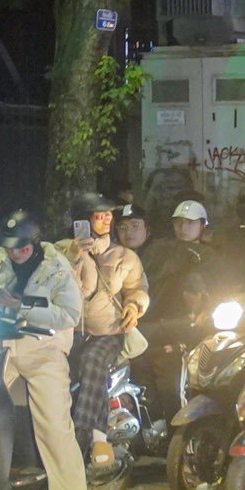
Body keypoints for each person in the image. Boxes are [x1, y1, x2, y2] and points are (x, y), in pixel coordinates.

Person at [0, 210, 93, 490]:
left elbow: (70, 314)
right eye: (10, 247)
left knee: (53, 424)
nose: (15, 253)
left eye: (20, 247)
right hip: (5, 346)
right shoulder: (1, 262)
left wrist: (22, 306)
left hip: (44, 350)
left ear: (33, 243)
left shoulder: (56, 268)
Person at [57, 192, 148, 467]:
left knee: (92, 360)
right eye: (100, 215)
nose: (107, 219)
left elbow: (138, 288)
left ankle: (88, 435)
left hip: (108, 332)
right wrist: (74, 257)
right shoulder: (60, 251)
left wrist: (134, 307)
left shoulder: (124, 256)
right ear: (82, 220)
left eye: (109, 214)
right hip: (68, 332)